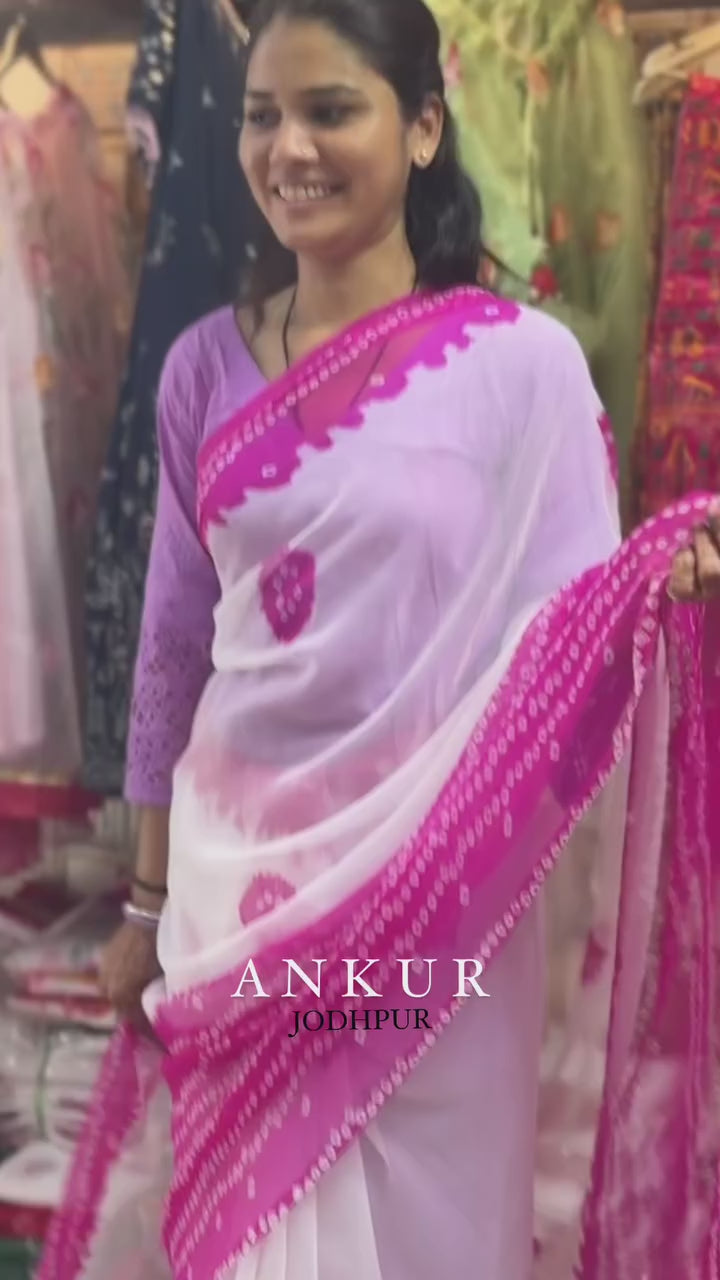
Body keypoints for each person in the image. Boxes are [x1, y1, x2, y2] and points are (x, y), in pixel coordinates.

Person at [40, 1, 720, 1277]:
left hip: (435, 912)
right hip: (240, 897)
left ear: (422, 128)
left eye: (330, 110)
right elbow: (174, 648)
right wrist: (144, 898)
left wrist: (656, 584)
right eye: (262, 116)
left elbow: (575, 641)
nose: (288, 148)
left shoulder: (522, 369)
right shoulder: (202, 367)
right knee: (251, 1230)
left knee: (429, 1230)